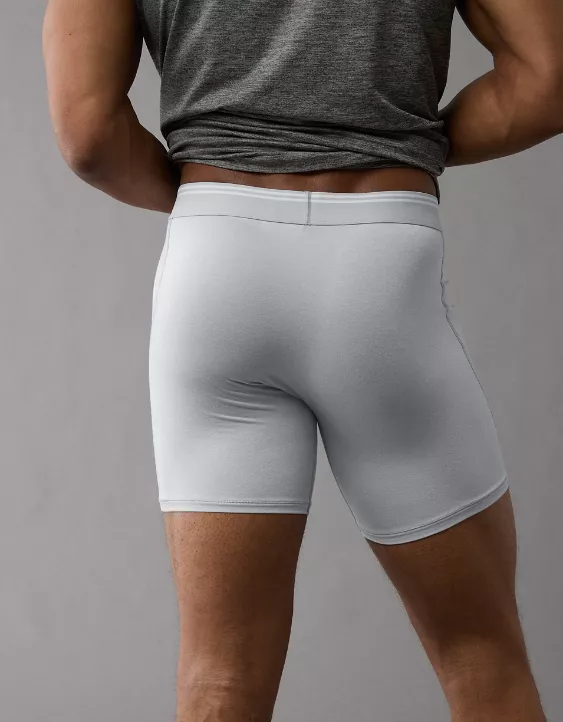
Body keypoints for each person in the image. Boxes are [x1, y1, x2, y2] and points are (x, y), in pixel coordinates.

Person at [42, 0, 562, 719]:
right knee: (480, 657)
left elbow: (88, 133)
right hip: (378, 257)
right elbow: (546, 79)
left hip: (216, 259)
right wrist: (407, 141)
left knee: (219, 680)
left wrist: (215, 205)